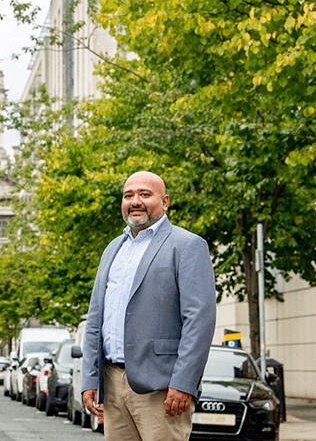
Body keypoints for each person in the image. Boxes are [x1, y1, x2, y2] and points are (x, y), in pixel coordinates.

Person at [81, 171, 217, 440]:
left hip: (162, 389)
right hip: (112, 382)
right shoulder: (112, 249)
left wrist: (183, 382)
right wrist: (90, 379)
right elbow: (96, 318)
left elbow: (199, 320)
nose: (135, 201)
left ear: (164, 202)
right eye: (128, 195)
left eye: (145, 194)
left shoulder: (187, 246)